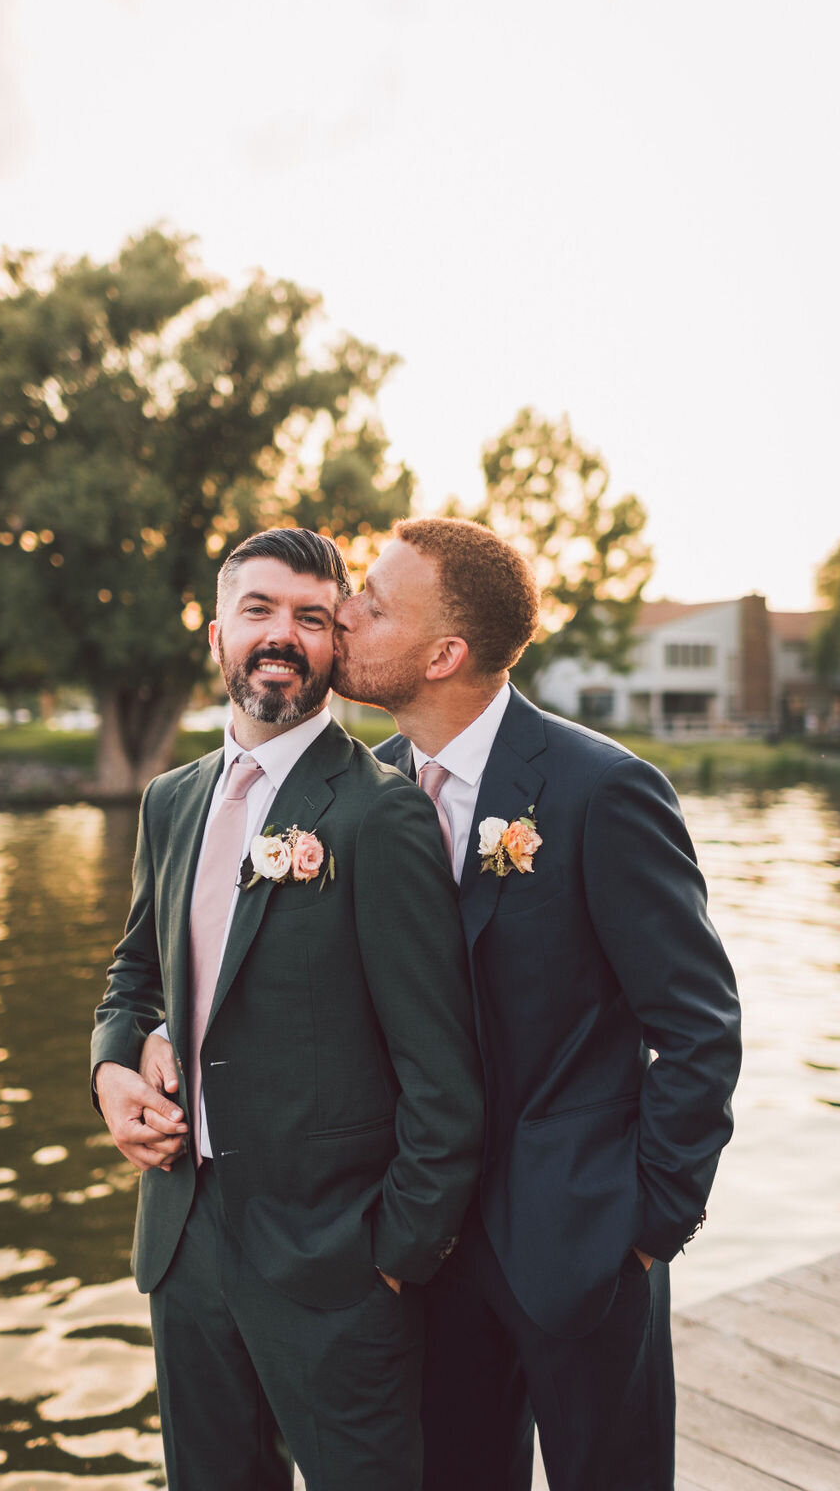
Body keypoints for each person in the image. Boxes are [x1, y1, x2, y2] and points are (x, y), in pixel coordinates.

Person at [329, 517, 742, 1491]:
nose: (344, 614)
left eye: (373, 605)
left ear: (444, 654)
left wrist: (650, 1226)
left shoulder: (601, 791)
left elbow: (697, 1027)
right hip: (423, 1253)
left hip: (586, 1241)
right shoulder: (366, 793)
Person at [91, 527, 483, 1491]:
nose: (283, 635)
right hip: (183, 1246)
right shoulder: (169, 801)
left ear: (334, 645)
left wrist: (391, 1260)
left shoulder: (377, 813)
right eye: (258, 609)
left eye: (312, 618)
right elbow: (135, 971)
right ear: (216, 633)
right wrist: (112, 1062)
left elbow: (444, 1077)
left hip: (337, 1272)